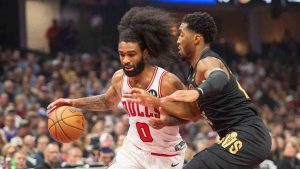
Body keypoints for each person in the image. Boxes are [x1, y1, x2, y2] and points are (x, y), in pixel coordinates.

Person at [47, 7, 190, 169]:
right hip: (133, 150)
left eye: (131, 54)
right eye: (122, 54)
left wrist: (167, 120)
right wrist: (72, 103)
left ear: (144, 53)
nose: (126, 60)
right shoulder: (119, 78)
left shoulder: (166, 82)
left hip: (166, 155)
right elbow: (107, 102)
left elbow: (190, 114)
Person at [125, 11, 272, 169]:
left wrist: (197, 92)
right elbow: (194, 115)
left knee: (199, 163)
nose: (178, 40)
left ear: (196, 39)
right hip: (238, 137)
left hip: (248, 135)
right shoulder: (193, 73)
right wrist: (165, 115)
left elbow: (219, 77)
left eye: (181, 34)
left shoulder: (208, 61)